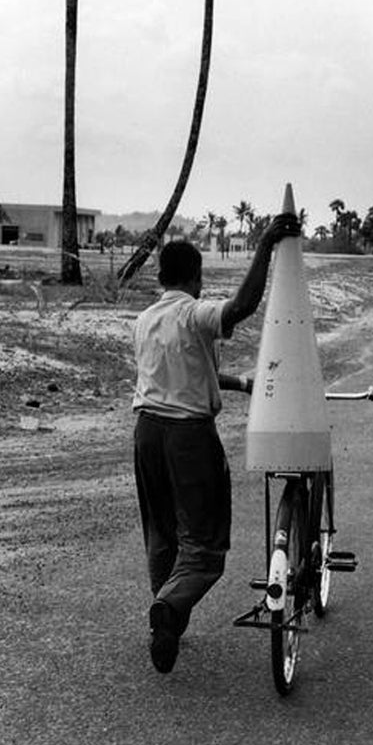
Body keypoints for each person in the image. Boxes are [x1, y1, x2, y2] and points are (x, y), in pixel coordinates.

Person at [133, 213, 300, 673]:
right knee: (205, 548)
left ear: (161, 275)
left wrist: (240, 382)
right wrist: (265, 245)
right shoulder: (193, 311)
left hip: (147, 433)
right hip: (188, 437)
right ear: (195, 276)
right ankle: (170, 606)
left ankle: (165, 617)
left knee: (162, 532)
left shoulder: (146, 320)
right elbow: (240, 308)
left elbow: (182, 372)